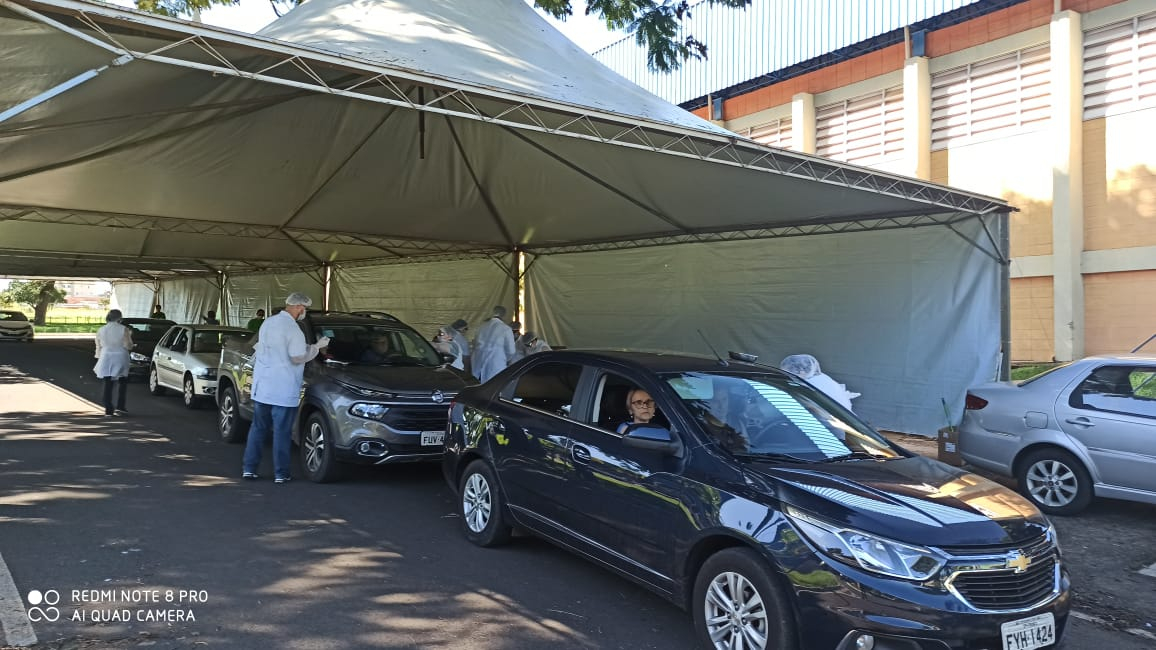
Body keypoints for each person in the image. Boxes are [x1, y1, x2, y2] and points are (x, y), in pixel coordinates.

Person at [242, 293, 330, 483]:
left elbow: (268, 348)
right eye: (303, 309)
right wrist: (316, 347)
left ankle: (249, 469)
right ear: (298, 307)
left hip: (263, 386)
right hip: (283, 388)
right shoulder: (293, 329)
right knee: (281, 432)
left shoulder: (268, 323)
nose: (303, 312)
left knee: (258, 428)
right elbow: (297, 357)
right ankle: (281, 474)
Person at [780, 354, 860, 412]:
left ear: (802, 371)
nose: (788, 376)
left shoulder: (812, 385)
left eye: (789, 373)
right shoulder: (820, 378)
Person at [93, 309, 134, 416]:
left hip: (106, 356)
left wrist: (98, 358)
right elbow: (128, 345)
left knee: (108, 382)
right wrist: (131, 342)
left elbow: (98, 346)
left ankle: (108, 408)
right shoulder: (124, 329)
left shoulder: (101, 329)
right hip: (121, 356)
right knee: (122, 382)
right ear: (119, 318)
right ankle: (120, 406)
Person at [472, 306, 516, 383]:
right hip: (495, 367)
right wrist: (505, 359)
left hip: (478, 365)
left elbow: (475, 344)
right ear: (504, 315)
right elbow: (511, 351)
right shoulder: (506, 329)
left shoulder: (481, 327)